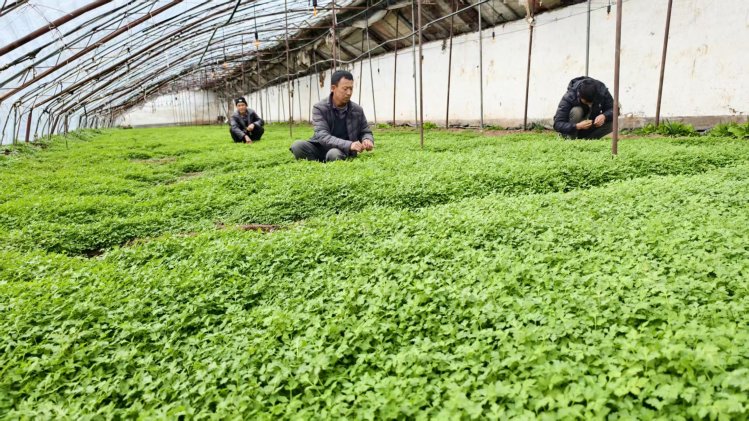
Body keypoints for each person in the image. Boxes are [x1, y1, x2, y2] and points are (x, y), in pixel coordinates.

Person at [290, 70, 374, 162]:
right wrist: (350, 144)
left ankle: (328, 162)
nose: (349, 93)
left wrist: (367, 139)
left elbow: (365, 131)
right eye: (345, 89)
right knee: (297, 146)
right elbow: (323, 136)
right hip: (320, 147)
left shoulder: (357, 110)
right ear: (333, 88)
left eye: (351, 89)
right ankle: (318, 164)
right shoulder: (319, 108)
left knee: (333, 154)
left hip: (342, 150)